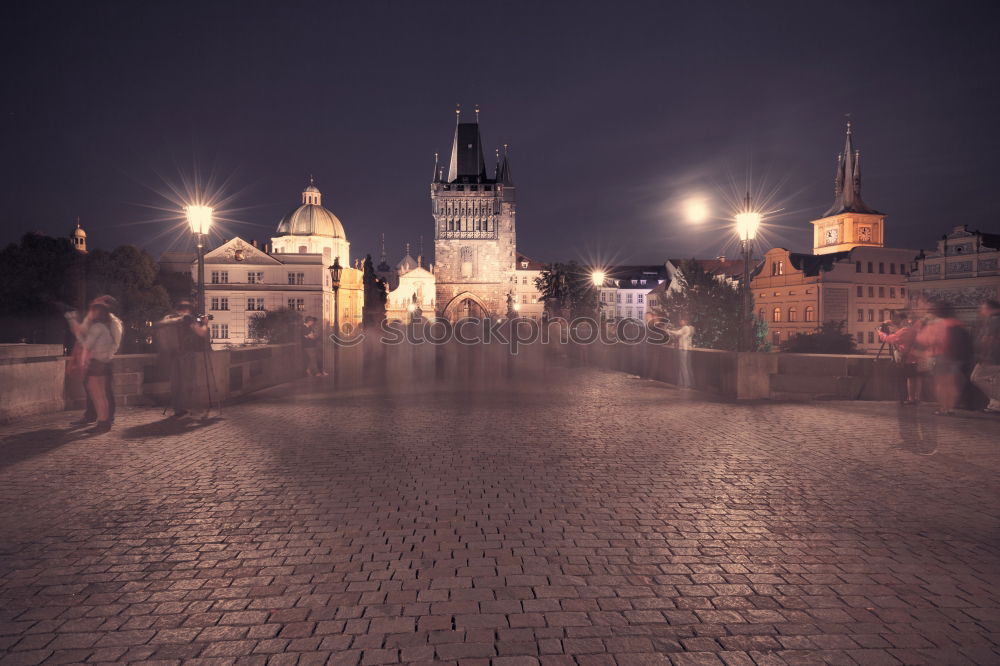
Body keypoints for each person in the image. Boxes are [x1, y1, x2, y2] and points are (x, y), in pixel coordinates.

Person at [65, 296, 123, 433]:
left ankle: (105, 420)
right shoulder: (101, 323)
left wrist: (73, 323)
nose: (91, 310)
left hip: (98, 361)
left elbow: (85, 342)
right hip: (102, 360)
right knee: (98, 392)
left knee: (100, 393)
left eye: (95, 308)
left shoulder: (105, 324)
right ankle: (99, 418)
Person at [155, 300, 209, 418]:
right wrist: (205, 323)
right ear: (187, 309)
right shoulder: (188, 318)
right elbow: (201, 333)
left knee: (176, 383)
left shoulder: (168, 318)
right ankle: (194, 408)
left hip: (172, 354)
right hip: (186, 354)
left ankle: (178, 409)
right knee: (189, 381)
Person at [916, 301, 971, 415]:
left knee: (941, 383)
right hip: (955, 358)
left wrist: (923, 323)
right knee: (951, 384)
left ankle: (943, 408)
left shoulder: (937, 324)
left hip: (941, 356)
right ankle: (950, 408)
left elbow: (922, 339)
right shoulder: (957, 323)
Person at [878, 311, 923, 404]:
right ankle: (915, 398)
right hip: (915, 357)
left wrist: (880, 332)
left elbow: (890, 339)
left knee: (903, 378)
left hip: (906, 358)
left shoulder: (905, 330)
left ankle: (907, 399)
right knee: (914, 378)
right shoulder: (915, 328)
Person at [971, 299, 1000, 413]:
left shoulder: (993, 320)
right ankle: (996, 405)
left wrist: (982, 354)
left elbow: (987, 339)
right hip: (995, 357)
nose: (981, 310)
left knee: (976, 377)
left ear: (989, 308)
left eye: (982, 308)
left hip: (992, 357)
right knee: (996, 381)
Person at [667, 318, 694, 388]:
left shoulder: (685, 328)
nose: (680, 322)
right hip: (686, 349)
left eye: (681, 321)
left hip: (683, 349)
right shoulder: (689, 328)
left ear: (685, 321)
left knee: (683, 366)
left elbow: (678, 332)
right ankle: (682, 382)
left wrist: (669, 331)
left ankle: (686, 383)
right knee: (685, 366)